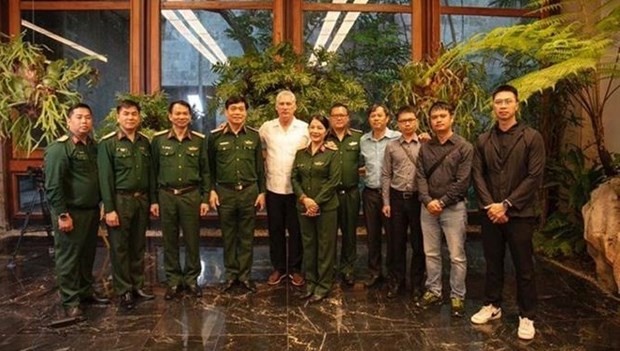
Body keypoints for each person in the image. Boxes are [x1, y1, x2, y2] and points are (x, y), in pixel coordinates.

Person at [471, 84, 545, 340]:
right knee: (492, 262)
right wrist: (491, 205)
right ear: (493, 106)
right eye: (498, 102)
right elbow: (477, 175)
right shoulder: (483, 139)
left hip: (520, 214)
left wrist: (507, 204)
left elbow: (534, 176)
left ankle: (527, 315)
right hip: (491, 213)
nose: (502, 106)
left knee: (524, 266)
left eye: (507, 101)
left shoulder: (531, 137)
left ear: (516, 105)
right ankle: (492, 305)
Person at [45, 103, 109, 318]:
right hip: (70, 212)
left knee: (86, 255)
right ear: (68, 121)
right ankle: (70, 300)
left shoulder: (93, 146)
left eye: (88, 118)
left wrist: (101, 204)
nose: (84, 122)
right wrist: (62, 214)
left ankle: (85, 291)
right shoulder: (59, 149)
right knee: (69, 257)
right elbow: (53, 185)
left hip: (90, 211)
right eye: (79, 117)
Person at [415, 101, 473, 316]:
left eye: (442, 116)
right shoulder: (426, 147)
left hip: (453, 208)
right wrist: (428, 200)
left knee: (457, 255)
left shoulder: (464, 147)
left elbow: (463, 181)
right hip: (427, 208)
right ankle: (434, 290)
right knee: (431, 253)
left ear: (452, 118)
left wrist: (442, 202)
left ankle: (457, 296)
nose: (438, 120)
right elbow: (420, 175)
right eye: (434, 117)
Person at [98, 100, 154, 310]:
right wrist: (110, 209)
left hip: (141, 200)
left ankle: (137, 285)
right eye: (126, 114)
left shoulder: (144, 142)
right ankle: (123, 290)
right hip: (120, 201)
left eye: (134, 114)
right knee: (120, 247)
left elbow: (150, 174)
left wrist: (151, 201)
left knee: (138, 245)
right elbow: (105, 178)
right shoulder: (108, 143)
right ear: (118, 117)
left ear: (139, 117)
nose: (130, 118)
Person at [151, 100, 210, 300]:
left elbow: (206, 171)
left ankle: (192, 279)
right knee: (170, 239)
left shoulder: (199, 141)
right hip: (166, 195)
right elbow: (153, 172)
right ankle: (174, 280)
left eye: (185, 113)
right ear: (170, 116)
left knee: (192, 239)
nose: (181, 117)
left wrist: (204, 198)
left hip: (191, 195)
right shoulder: (159, 141)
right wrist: (154, 200)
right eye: (177, 113)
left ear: (190, 117)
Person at [208, 96, 266, 294]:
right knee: (229, 235)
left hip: (249, 191)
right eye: (233, 109)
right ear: (226, 112)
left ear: (246, 112)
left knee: (247, 236)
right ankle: (231, 275)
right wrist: (212, 190)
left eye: (241, 109)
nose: (237, 113)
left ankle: (245, 276)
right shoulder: (215, 137)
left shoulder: (254, 136)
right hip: (225, 192)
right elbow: (209, 168)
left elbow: (260, 167)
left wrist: (262, 192)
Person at [259, 90, 309, 287]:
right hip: (274, 188)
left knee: (296, 230)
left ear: (295, 106)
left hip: (297, 191)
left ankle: (296, 269)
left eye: (289, 104)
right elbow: (255, 143)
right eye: (282, 104)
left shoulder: (304, 128)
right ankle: (278, 268)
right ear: (276, 107)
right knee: (276, 230)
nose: (285, 107)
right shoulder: (266, 128)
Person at [291, 115, 342, 303]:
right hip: (303, 207)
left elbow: (333, 181)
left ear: (326, 131)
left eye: (319, 128)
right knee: (309, 245)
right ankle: (311, 282)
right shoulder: (300, 153)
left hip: (327, 208)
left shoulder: (332, 153)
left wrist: (316, 202)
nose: (315, 131)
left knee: (325, 246)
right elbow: (294, 178)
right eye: (312, 127)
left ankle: (323, 285)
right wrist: (305, 199)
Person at [381, 105, 425, 299]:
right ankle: (396, 281)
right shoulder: (391, 146)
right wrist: (386, 202)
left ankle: (417, 284)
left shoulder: (425, 145)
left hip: (417, 199)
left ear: (416, 121)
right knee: (396, 242)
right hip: (397, 198)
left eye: (410, 120)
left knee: (418, 243)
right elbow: (386, 175)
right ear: (397, 124)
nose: (407, 124)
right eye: (403, 121)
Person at [360, 104, 401, 288]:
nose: (376, 119)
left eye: (379, 115)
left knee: (393, 235)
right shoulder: (363, 140)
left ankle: (394, 274)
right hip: (370, 192)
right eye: (372, 116)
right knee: (372, 236)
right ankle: (374, 272)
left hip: (391, 194)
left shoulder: (397, 138)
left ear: (387, 118)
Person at [325, 103, 362, 286]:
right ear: (330, 118)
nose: (339, 118)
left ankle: (348, 269)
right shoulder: (322, 137)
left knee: (349, 233)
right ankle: (329, 269)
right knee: (329, 234)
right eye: (335, 115)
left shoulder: (358, 138)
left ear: (348, 117)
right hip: (329, 195)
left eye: (342, 115)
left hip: (351, 193)